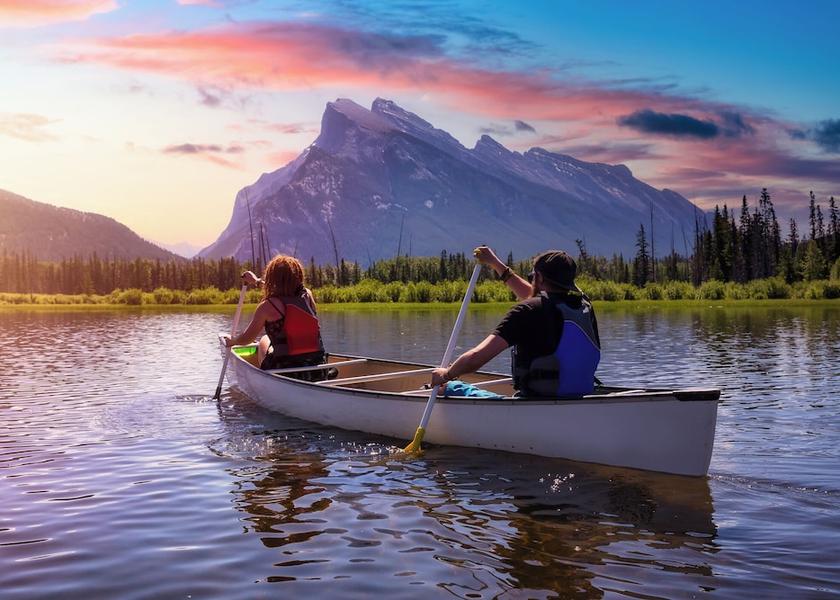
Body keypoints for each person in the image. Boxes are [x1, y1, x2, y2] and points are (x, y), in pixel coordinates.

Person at [430, 246, 601, 397]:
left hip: (538, 399)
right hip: (583, 393)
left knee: (452, 387)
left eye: (532, 276)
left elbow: (476, 358)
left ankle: (450, 388)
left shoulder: (527, 311)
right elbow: (536, 297)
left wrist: (446, 374)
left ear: (539, 278)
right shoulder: (583, 307)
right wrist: (495, 263)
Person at [225, 255, 328, 379]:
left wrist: (233, 341)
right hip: (317, 368)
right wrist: (256, 281)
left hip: (285, 371)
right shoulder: (307, 296)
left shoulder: (267, 306)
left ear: (271, 278)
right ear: (298, 276)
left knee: (264, 339)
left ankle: (263, 379)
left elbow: (247, 339)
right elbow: (287, 292)